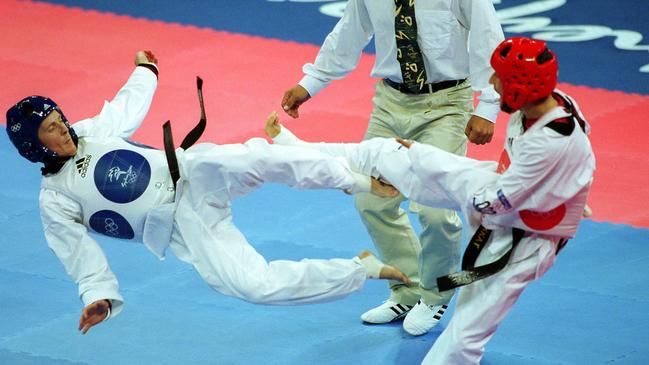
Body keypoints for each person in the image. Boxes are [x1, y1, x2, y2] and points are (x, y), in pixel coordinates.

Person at [4, 50, 411, 335]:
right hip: (184, 226)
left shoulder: (92, 131)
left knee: (258, 159)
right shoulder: (55, 201)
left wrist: (146, 70)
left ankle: (359, 181)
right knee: (253, 286)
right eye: (51, 129)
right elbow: (79, 254)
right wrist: (100, 296)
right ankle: (360, 269)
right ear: (34, 146)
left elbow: (125, 108)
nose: (63, 127)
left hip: (193, 174)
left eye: (59, 118)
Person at [268, 37, 595, 364]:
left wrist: (431, 173)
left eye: (499, 78)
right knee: (393, 152)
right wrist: (569, 195)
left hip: (519, 237)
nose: (492, 84)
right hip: (504, 189)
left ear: (521, 85)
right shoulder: (555, 103)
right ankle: (303, 150)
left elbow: (495, 202)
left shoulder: (548, 142)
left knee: (465, 333)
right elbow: (580, 157)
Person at [280, 0, 505, 335]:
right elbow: (350, 30)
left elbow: (492, 42)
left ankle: (436, 293)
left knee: (434, 210)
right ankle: (408, 287)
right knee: (370, 199)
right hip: (390, 102)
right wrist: (311, 82)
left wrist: (487, 108)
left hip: (446, 103)